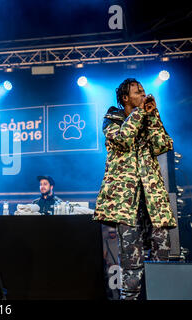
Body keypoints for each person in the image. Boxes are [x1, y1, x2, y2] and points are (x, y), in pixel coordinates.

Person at [94, 78, 177, 300]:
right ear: (125, 98)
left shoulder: (148, 118)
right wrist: (141, 113)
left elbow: (163, 145)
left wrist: (154, 115)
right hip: (125, 203)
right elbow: (124, 139)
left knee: (162, 258)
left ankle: (162, 296)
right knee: (132, 262)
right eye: (137, 91)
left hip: (153, 201)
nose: (143, 94)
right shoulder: (111, 120)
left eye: (143, 90)